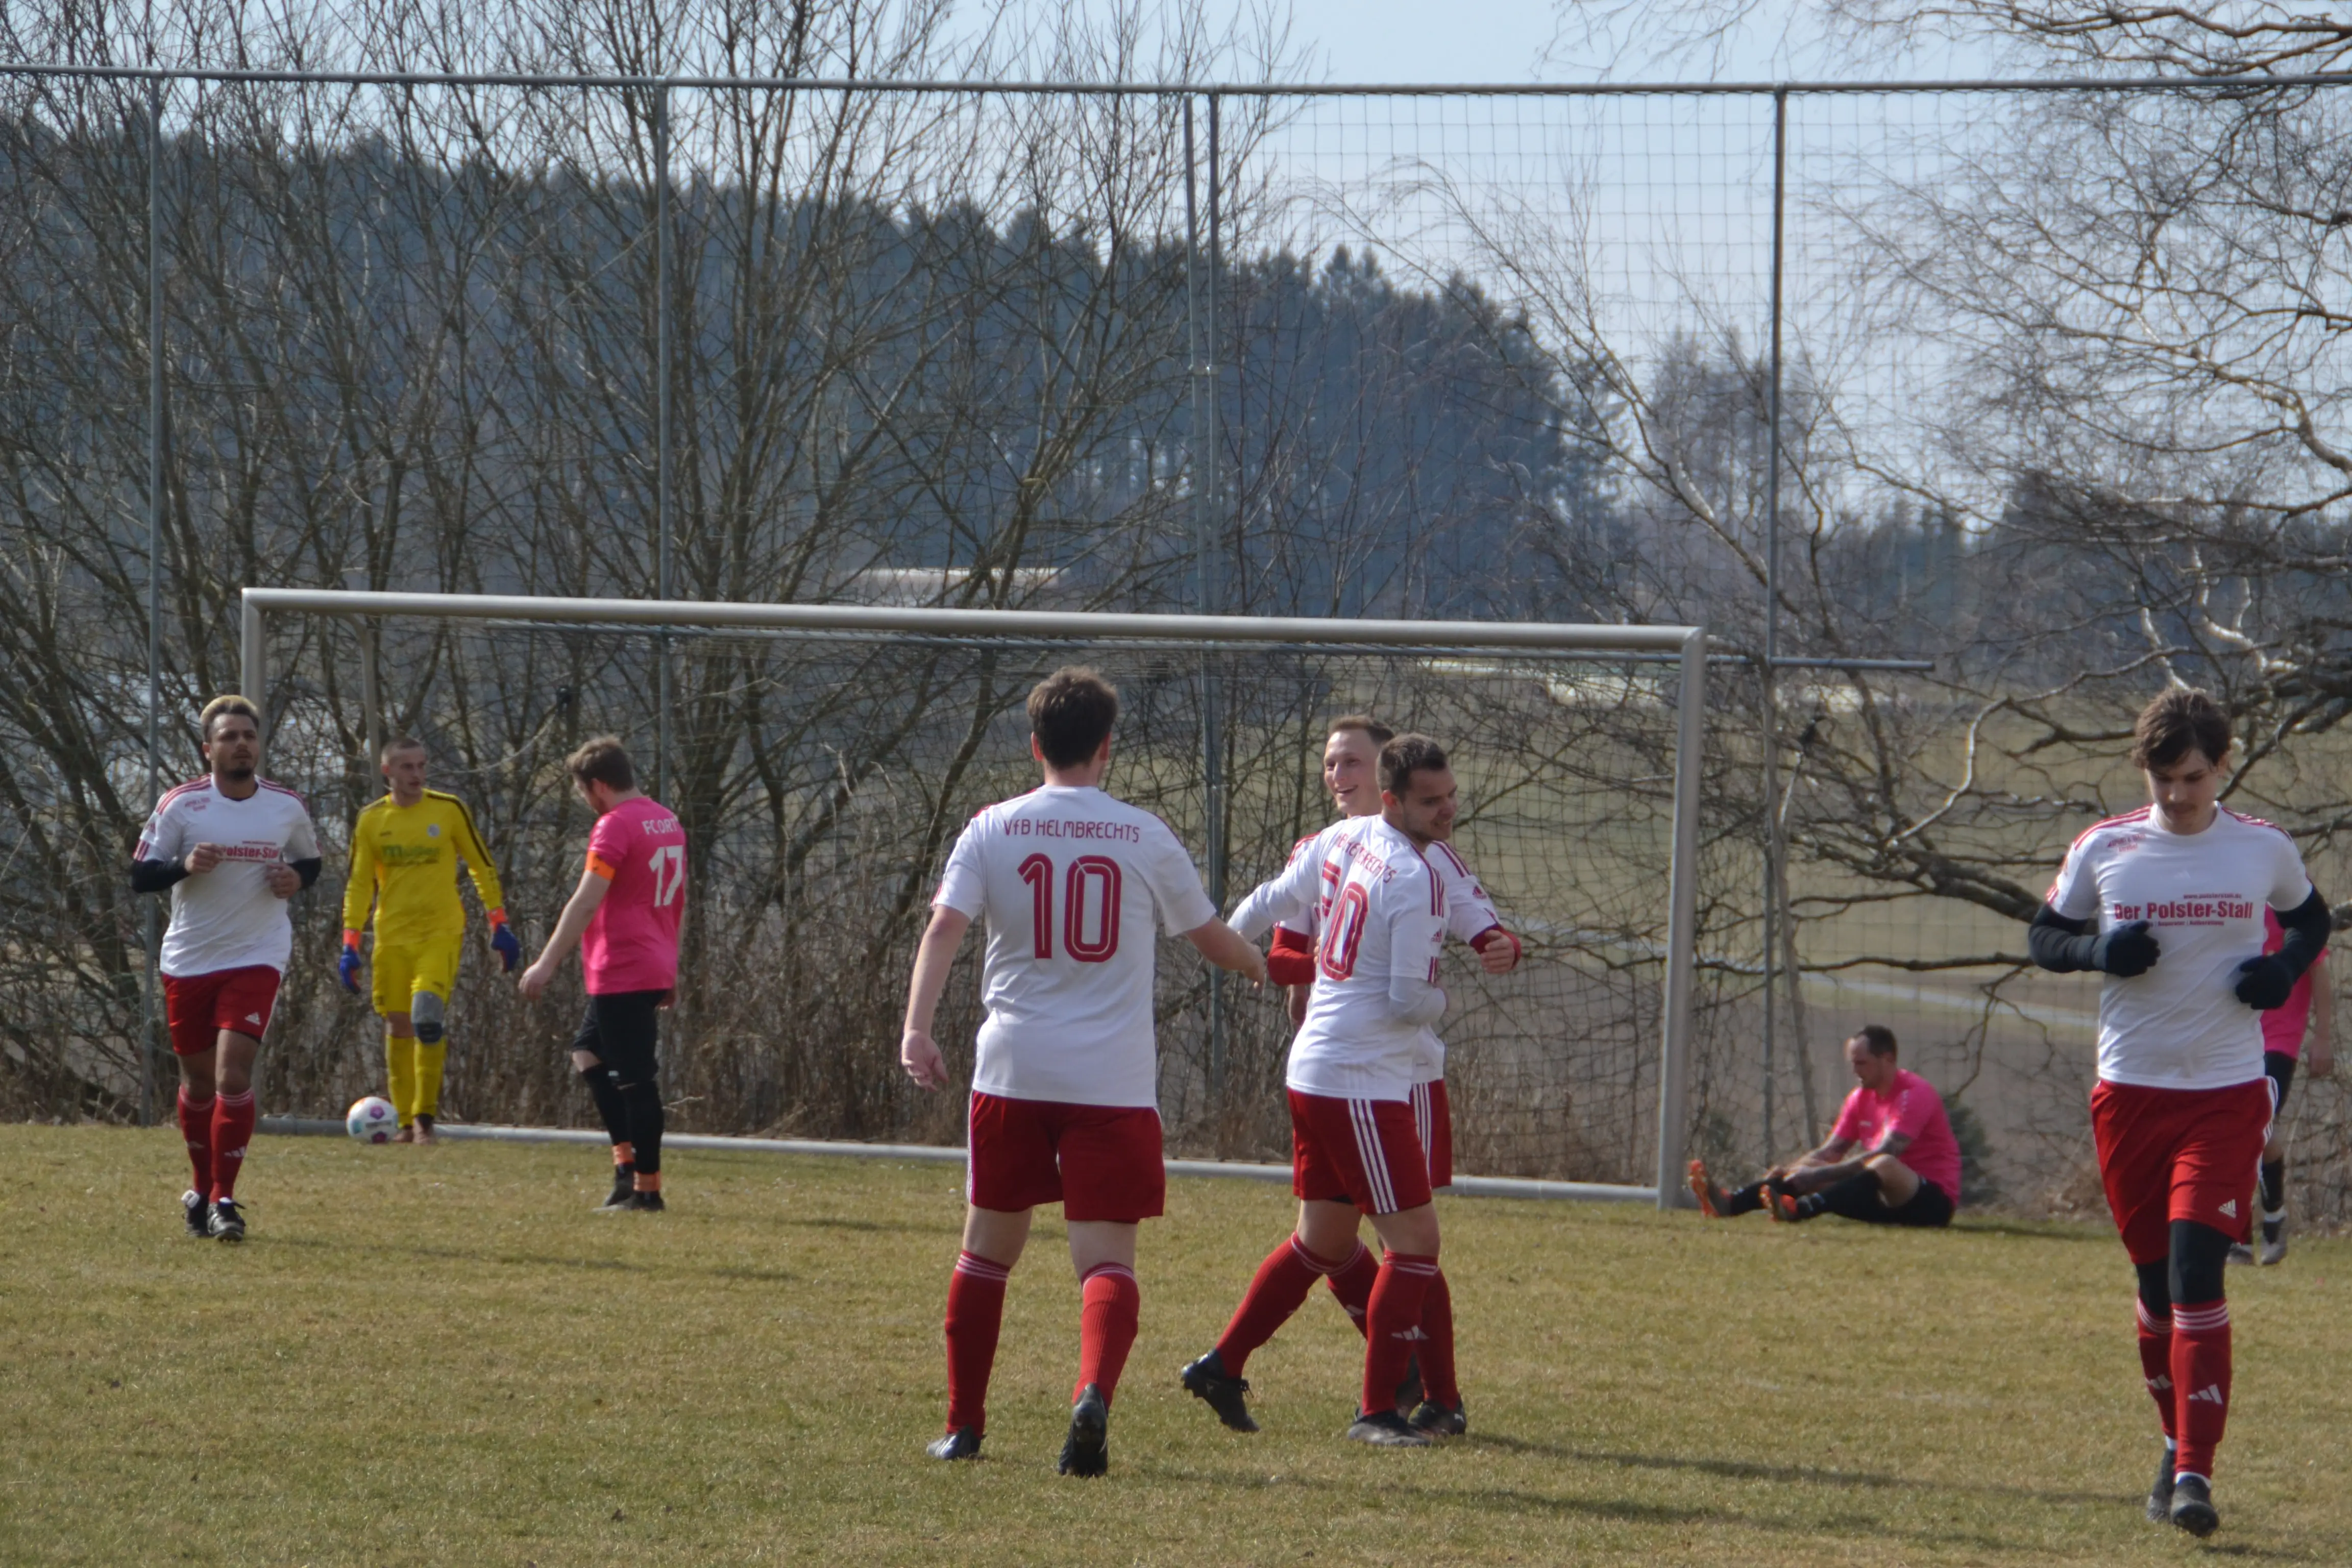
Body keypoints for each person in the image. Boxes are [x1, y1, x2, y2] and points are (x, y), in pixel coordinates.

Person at [899, 667, 1265, 1476]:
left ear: (1036, 747)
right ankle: (1089, 1394)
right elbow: (1208, 937)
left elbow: (943, 930)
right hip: (1112, 1083)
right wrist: (1266, 967)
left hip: (1014, 1071)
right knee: (1106, 1263)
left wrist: (917, 1028)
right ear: (1106, 748)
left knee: (985, 1255)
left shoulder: (991, 828)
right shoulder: (1142, 834)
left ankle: (963, 1428)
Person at [2025, 688, 2330, 1538]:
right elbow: (2043, 937)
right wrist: (2096, 950)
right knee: (2152, 1286)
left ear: (2220, 766)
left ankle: (2194, 1472)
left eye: (2191, 777)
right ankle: (2171, 1440)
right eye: (2162, 778)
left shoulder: (2261, 849)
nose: (2176, 795)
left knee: (2198, 1275)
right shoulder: (2105, 846)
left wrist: (2282, 972)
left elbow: (2310, 918)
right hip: (2129, 1092)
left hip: (2226, 1094)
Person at [1180, 733, 1456, 1449]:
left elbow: (1271, 900)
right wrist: (1442, 997)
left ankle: (1221, 1365)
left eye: (1451, 795)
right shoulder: (1418, 879)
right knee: (1415, 1243)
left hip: (1314, 1069)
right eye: (1432, 801)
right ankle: (1378, 1412)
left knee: (1324, 1239)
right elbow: (1405, 1001)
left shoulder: (1344, 837)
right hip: (1359, 1079)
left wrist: (1225, 948)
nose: (1447, 810)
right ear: (1394, 801)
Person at [1257, 716, 1520, 1437]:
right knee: (1340, 1237)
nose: (1339, 775)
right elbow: (1281, 952)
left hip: (1398, 1074)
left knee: (1400, 1238)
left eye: (1354, 762)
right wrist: (1328, 968)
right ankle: (1394, 1374)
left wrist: (1499, 943)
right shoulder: (1324, 848)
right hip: (1333, 1065)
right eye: (1330, 762)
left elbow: (1481, 922)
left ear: (1389, 781)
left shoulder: (1428, 859)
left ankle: (1427, 1388)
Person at [129, 695, 324, 1243]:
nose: (242, 744)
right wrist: (184, 865)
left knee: (232, 1075)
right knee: (197, 1085)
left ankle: (225, 1201)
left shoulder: (285, 806)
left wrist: (297, 880)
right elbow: (140, 876)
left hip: (258, 955)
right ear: (207, 749)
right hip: (191, 959)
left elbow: (310, 861)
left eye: (249, 736)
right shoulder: (181, 806)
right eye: (230, 736)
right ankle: (201, 1188)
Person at [518, 738, 687, 1213]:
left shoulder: (614, 827)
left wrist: (546, 963)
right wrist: (671, 966)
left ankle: (647, 1192)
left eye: (584, 792)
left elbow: (586, 900)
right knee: (587, 1054)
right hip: (652, 961)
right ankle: (626, 1172)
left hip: (624, 967)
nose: (587, 803)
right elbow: (678, 899)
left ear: (597, 785)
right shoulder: (666, 820)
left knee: (635, 1080)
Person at [338, 737, 521, 1142]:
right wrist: (350, 943)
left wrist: (499, 923)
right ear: (388, 772)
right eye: (407, 768)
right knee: (399, 1024)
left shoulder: (448, 809)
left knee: (426, 1016)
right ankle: (402, 1123)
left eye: (422, 766)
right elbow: (358, 884)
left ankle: (425, 1121)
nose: (417, 775)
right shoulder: (371, 820)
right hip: (392, 937)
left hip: (440, 932)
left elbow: (481, 865)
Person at [1688, 1025, 1962, 1227]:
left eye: (1862, 1063)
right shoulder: (1859, 1098)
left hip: (1930, 1204)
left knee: (1883, 1164)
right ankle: (1731, 1203)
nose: (1856, 1071)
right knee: (1816, 1168)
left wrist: (1816, 1177)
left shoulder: (1914, 1094)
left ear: (1888, 1060)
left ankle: (1799, 1211)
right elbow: (1829, 1152)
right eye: (1853, 1064)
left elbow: (1886, 1153)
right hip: (1884, 1203)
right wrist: (1798, 1170)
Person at [2228, 910, 2332, 1266]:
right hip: (2234, 1038)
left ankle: (2272, 1216)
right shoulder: (2234, 904)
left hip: (2279, 1041)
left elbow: (2320, 973)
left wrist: (2322, 1037)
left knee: (2258, 1122)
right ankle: (2239, 1234)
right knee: (2234, 1131)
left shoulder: (2292, 908)